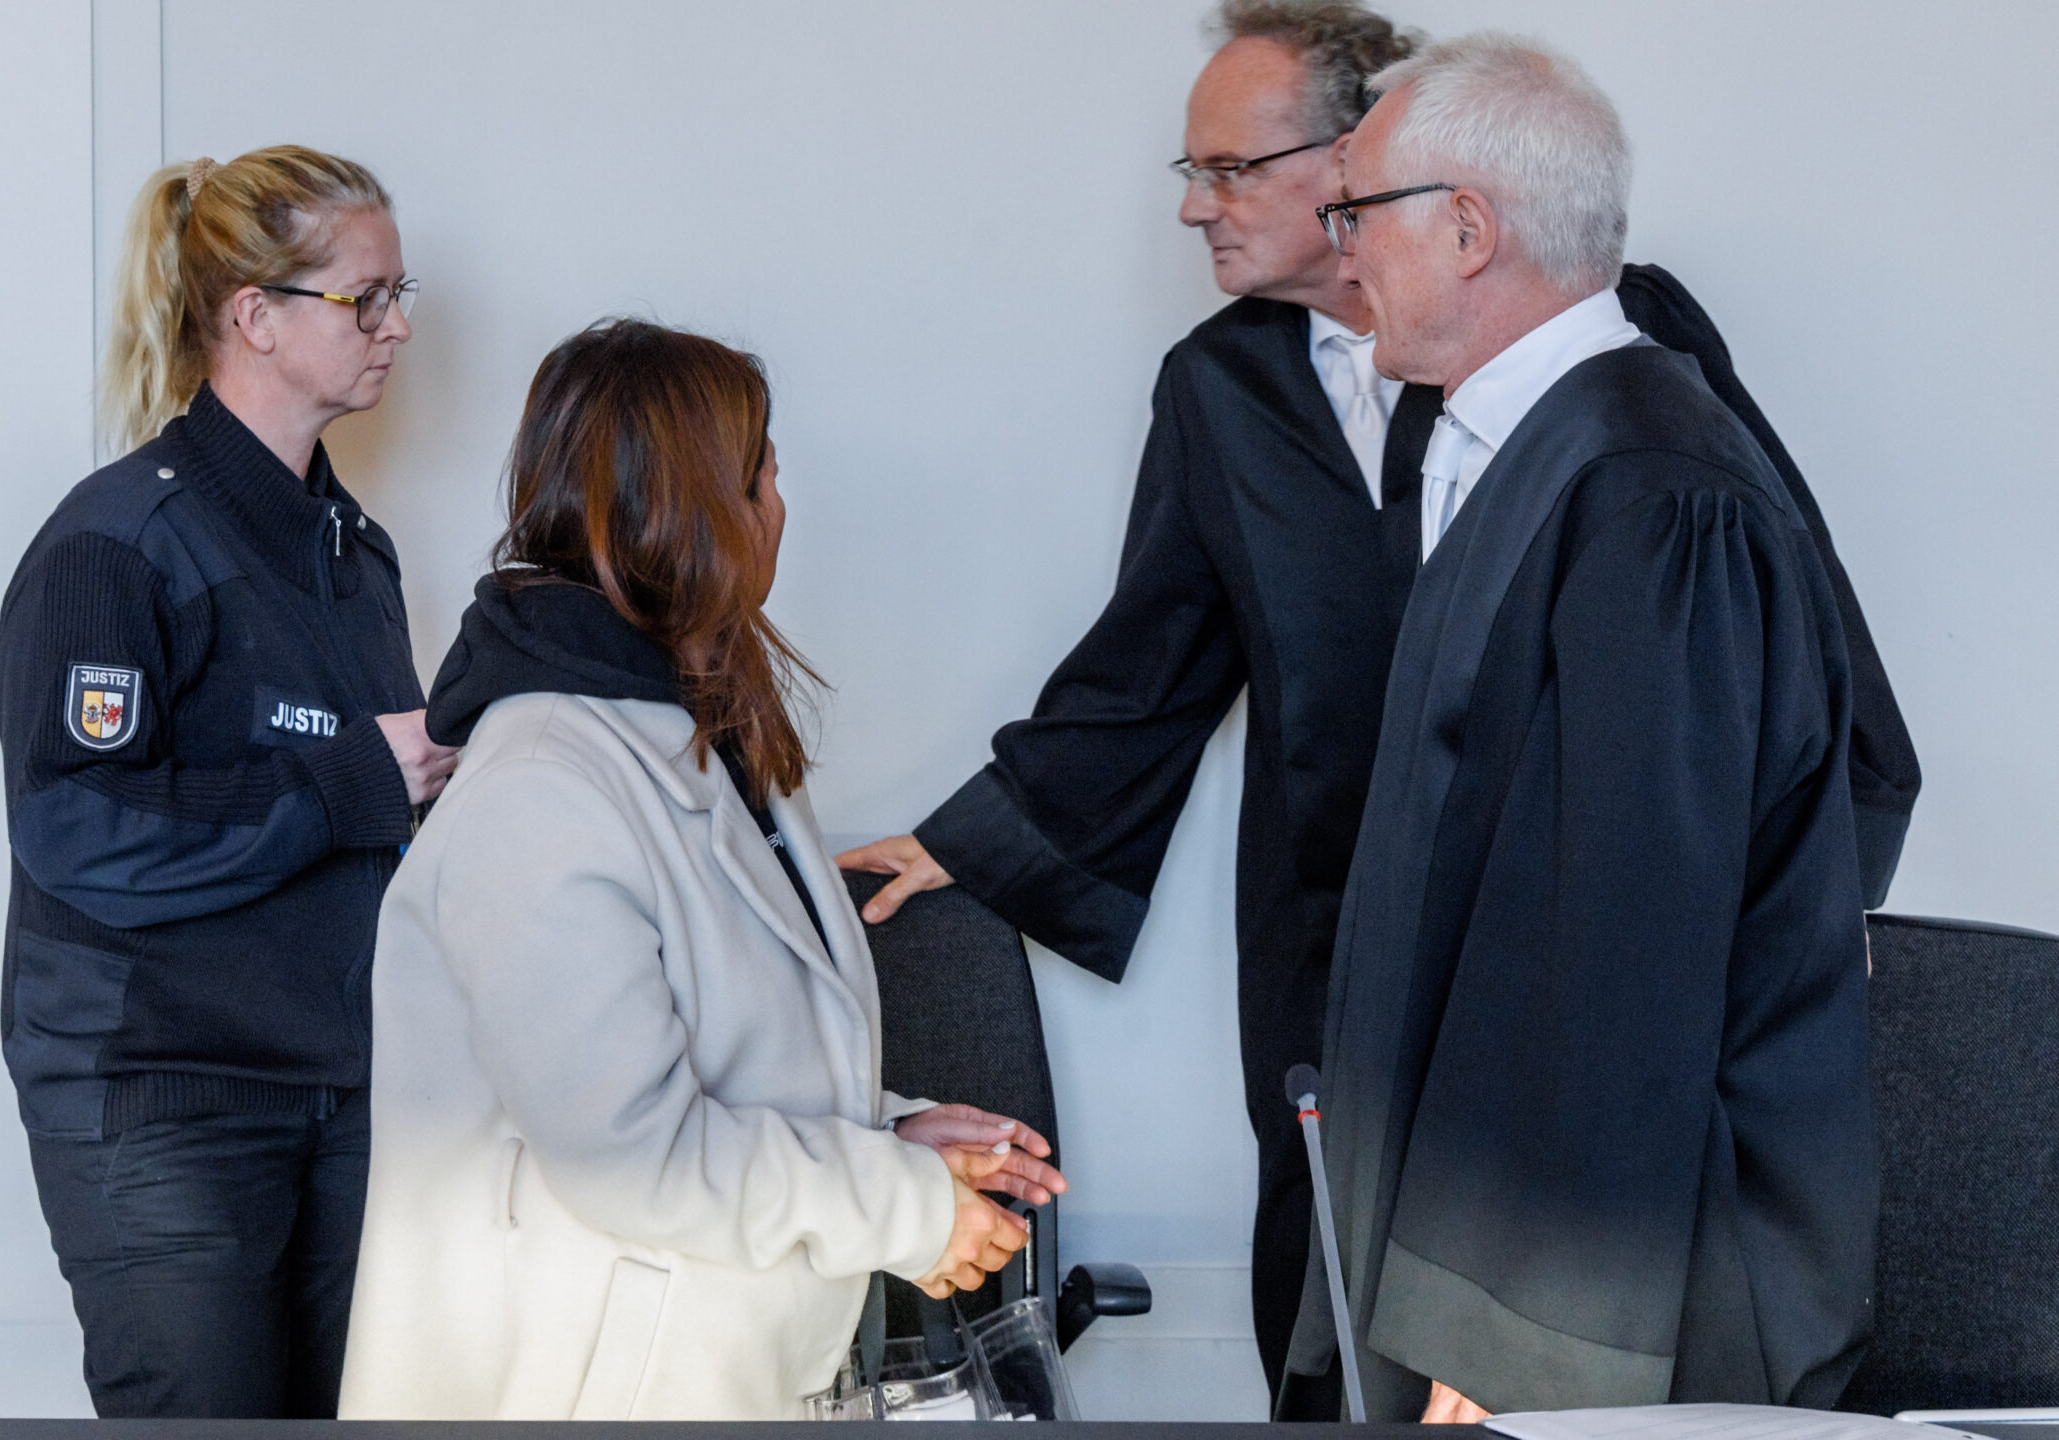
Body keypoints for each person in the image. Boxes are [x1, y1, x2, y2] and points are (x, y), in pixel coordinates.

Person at [835, 1, 1917, 1411]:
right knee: (1348, 1319)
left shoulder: (1634, 460)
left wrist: (1531, 1315)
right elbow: (1151, 659)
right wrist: (975, 838)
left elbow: (1634, 915)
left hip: (1571, 1066)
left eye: (1244, 171)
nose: (1210, 212)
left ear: (1448, 214)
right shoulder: (1258, 390)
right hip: (1366, 952)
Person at [1284, 35, 1875, 1421]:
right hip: (1492, 1251)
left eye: (1356, 209)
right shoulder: (1538, 449)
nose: (1339, 247)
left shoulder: (1651, 499)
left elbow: (1612, 955)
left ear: (1471, 230)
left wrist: (1505, 1346)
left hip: (1620, 1303)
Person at [340, 320, 1067, 1420]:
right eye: (764, 471)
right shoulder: (544, 787)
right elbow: (633, 1155)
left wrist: (884, 1131)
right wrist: (905, 1208)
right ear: (699, 506)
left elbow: (716, 1048)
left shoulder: (692, 735)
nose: (782, 503)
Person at [0, 146, 458, 1418]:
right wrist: (349, 779)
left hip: (346, 1093)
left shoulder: (358, 558)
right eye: (364, 299)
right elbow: (80, 828)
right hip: (161, 1107)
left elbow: (374, 814)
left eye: (397, 292)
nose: (399, 327)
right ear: (253, 316)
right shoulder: (113, 545)